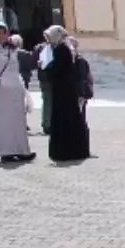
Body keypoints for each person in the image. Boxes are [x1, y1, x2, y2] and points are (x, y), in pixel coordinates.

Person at [0, 22, 34, 164]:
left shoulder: (12, 49)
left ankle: (21, 150)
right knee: (4, 122)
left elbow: (16, 70)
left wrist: (22, 87)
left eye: (4, 32)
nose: (1, 35)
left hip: (16, 89)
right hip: (2, 91)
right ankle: (6, 151)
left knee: (18, 122)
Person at [43, 26, 90, 162]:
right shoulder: (65, 48)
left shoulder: (60, 49)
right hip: (67, 89)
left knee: (64, 119)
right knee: (70, 119)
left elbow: (58, 70)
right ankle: (74, 150)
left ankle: (65, 151)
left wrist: (46, 68)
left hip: (63, 90)